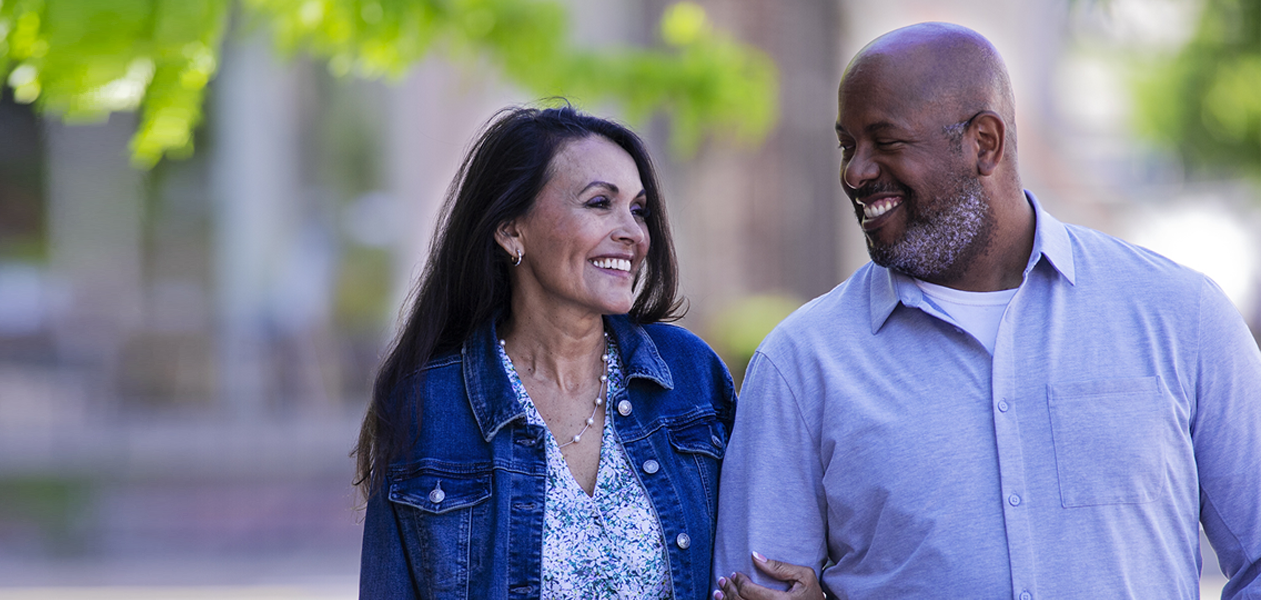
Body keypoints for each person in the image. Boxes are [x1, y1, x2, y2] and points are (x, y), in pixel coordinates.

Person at [712, 22, 1261, 600]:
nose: (854, 172)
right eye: (848, 146)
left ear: (985, 143)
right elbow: (751, 589)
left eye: (886, 141)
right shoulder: (800, 364)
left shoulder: (1180, 317)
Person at [357, 104, 783, 599]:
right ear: (511, 229)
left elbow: (759, 559)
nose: (633, 233)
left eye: (638, 210)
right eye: (600, 203)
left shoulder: (689, 375)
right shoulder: (429, 404)